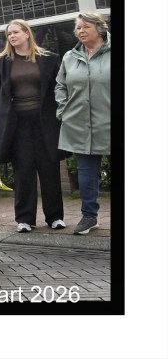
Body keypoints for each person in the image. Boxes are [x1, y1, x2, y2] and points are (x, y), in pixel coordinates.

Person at [0, 19, 64, 233]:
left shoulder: (48, 59)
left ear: (26, 34)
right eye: (9, 34)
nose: (11, 37)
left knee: (50, 168)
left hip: (45, 122)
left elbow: (59, 87)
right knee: (23, 171)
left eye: (15, 32)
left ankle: (55, 216)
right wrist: (2, 112)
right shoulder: (1, 62)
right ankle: (24, 218)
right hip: (17, 124)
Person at [56, 12, 111, 235]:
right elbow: (60, 85)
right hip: (78, 123)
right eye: (78, 28)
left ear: (100, 29)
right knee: (86, 171)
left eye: (85, 26)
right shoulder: (70, 57)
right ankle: (89, 216)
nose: (80, 31)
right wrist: (63, 110)